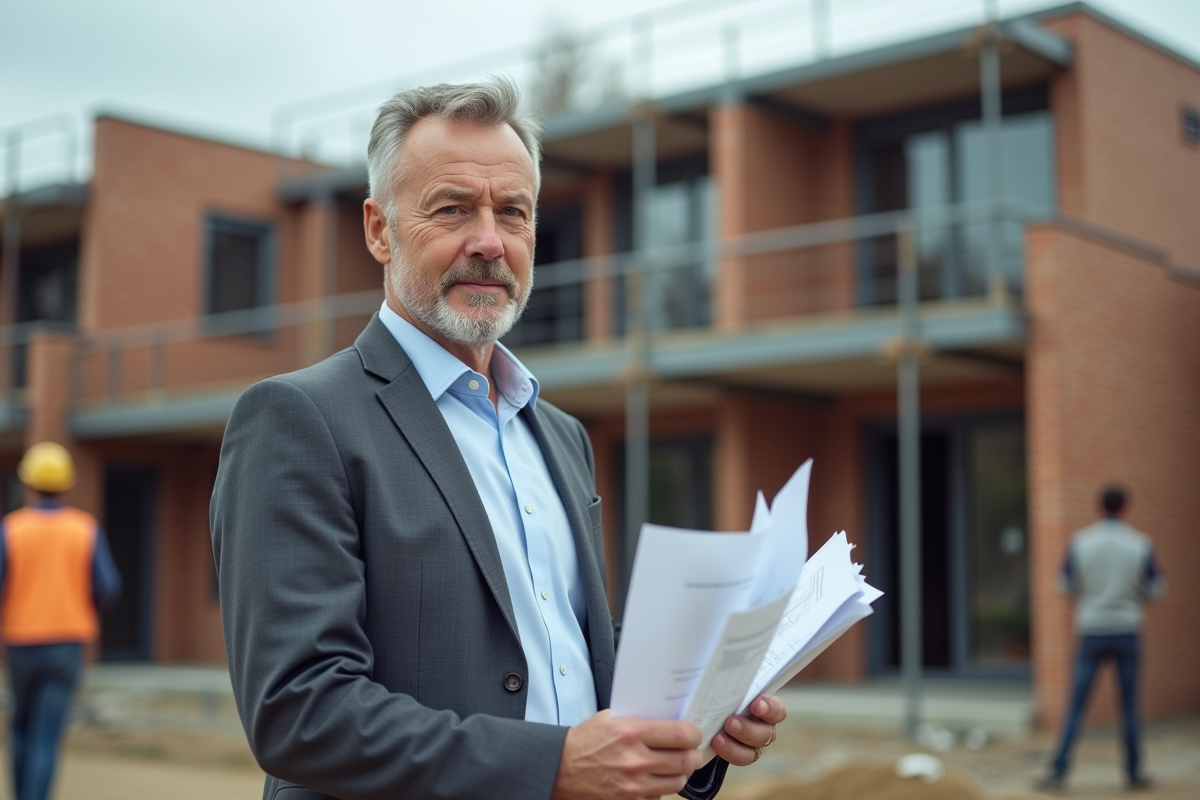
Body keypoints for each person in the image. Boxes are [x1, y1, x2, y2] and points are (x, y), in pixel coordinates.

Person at [210, 78, 785, 800]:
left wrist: (695, 723)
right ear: (378, 229)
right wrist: (551, 767)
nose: (488, 242)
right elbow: (299, 712)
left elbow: (572, 666)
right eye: (452, 210)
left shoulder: (561, 434)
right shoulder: (298, 419)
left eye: (512, 213)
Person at [2, 441, 122, 800]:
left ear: (28, 483)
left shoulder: (11, 529)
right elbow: (108, 586)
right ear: (66, 483)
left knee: (20, 727)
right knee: (46, 734)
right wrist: (79, 607)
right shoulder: (85, 529)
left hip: (20, 641)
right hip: (67, 642)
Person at [1037, 486, 1164, 792]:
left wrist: (1090, 596)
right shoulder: (1140, 544)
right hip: (1127, 629)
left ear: (1097, 507)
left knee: (1076, 704)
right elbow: (1157, 589)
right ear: (1126, 508)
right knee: (1129, 705)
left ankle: (1058, 771)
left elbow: (1064, 583)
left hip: (1091, 629)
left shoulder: (1081, 542)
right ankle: (1133, 772)